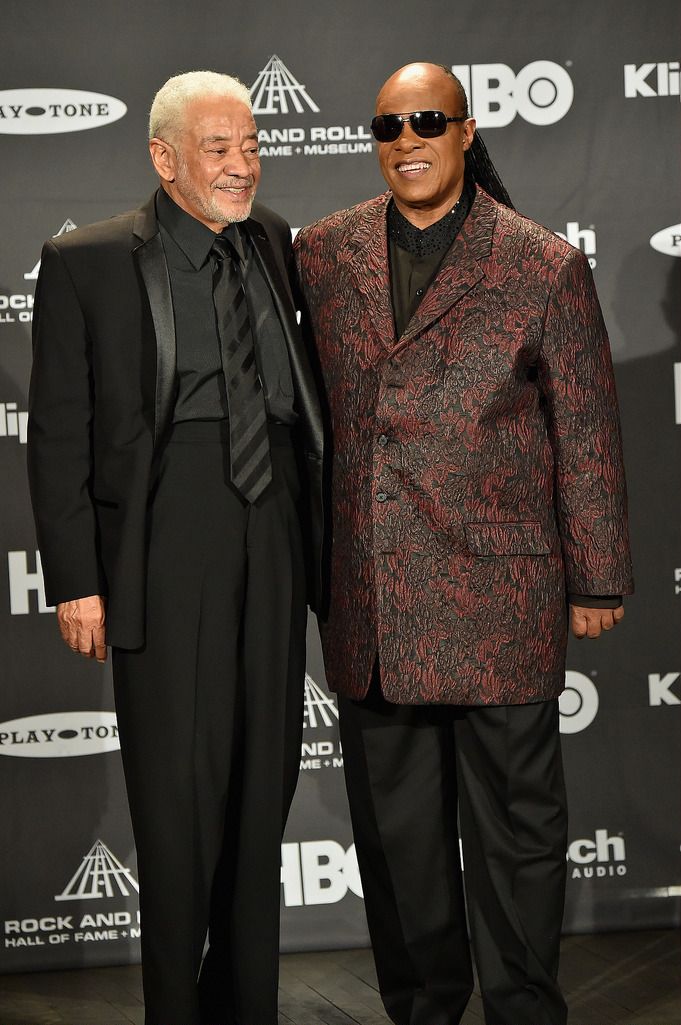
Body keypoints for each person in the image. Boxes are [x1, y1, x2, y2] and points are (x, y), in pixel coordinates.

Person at [294, 62, 632, 1025]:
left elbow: (587, 431)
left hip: (501, 599)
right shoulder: (321, 253)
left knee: (518, 833)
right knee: (397, 840)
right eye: (388, 124)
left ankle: (524, 1006)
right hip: (373, 597)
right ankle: (424, 1008)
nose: (407, 139)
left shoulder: (540, 262)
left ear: (465, 128)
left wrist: (598, 572)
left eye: (427, 120)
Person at [28, 71, 324, 1025]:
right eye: (217, 149)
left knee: (261, 786)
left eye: (250, 145)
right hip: (166, 536)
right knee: (175, 802)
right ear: (163, 157)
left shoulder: (276, 241)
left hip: (273, 525)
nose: (242, 166)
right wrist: (77, 581)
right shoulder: (90, 261)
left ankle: (246, 1007)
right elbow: (60, 437)